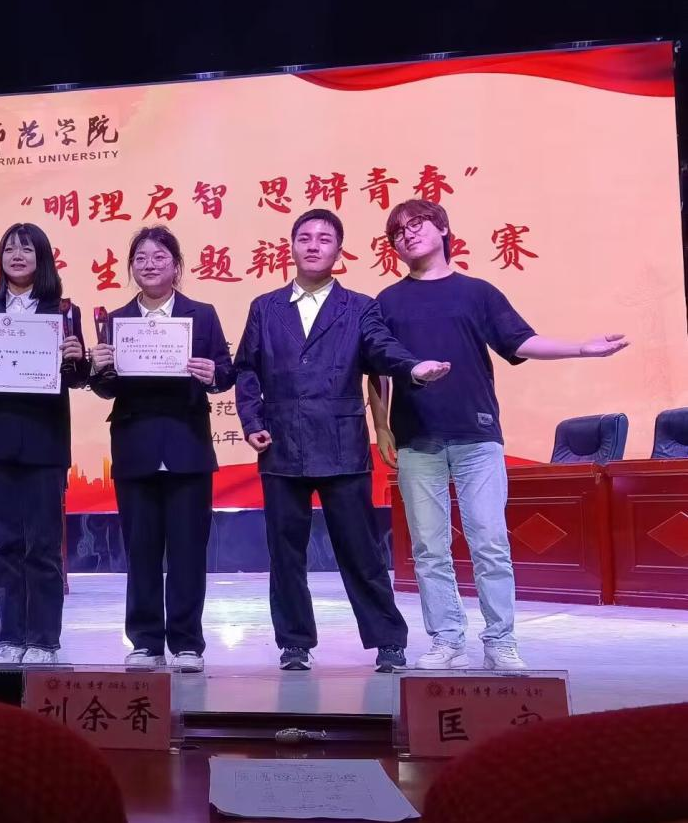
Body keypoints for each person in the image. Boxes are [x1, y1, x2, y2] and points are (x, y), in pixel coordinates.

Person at [368, 199, 629, 671]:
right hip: (416, 439)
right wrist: (382, 426)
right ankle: (447, 640)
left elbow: (520, 341)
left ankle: (500, 640)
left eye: (417, 223)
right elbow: (378, 368)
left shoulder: (477, 293)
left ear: (443, 229)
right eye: (397, 232)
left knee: (489, 542)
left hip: (477, 435)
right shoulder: (387, 301)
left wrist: (582, 349)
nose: (408, 234)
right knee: (428, 550)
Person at [235, 208, 451, 673]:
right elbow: (247, 369)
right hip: (280, 443)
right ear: (291, 247)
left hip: (341, 444)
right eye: (305, 237)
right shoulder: (265, 307)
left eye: (324, 239)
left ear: (339, 251)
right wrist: (252, 420)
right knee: (285, 554)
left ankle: (388, 641)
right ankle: (294, 643)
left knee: (361, 551)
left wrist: (412, 367)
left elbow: (380, 349)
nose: (313, 245)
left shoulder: (359, 306)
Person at [89, 226, 234, 673]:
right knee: (141, 550)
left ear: (176, 265)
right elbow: (106, 389)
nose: (149, 265)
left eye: (159, 257)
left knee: (189, 550)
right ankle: (146, 642)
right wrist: (99, 368)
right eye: (141, 258)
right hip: (136, 446)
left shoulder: (201, 315)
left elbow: (226, 372)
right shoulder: (116, 319)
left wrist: (213, 373)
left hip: (187, 446)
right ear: (131, 267)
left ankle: (188, 643)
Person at [0, 222, 88, 665]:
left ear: (42, 258)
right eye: (9, 249)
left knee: (43, 546)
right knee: (4, 545)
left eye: (27, 249)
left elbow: (77, 378)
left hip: (45, 440)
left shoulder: (63, 311)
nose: (18, 256)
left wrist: (76, 359)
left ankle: (44, 640)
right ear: (0, 259)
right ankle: (10, 637)